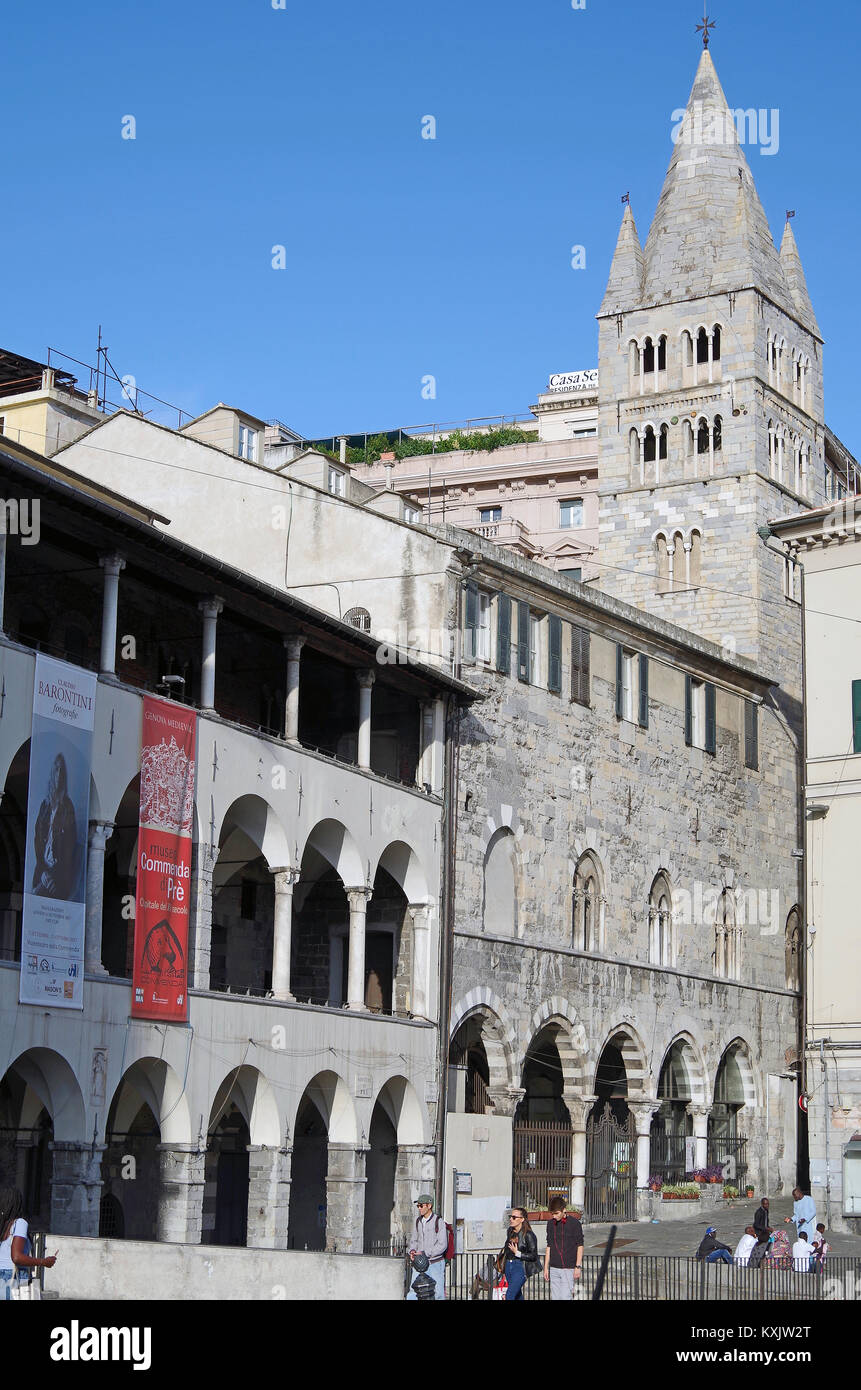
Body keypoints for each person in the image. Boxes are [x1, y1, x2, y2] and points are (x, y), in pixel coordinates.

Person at [32, 753, 79, 899]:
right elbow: (37, 840)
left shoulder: (67, 806)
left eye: (61, 770)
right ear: (52, 772)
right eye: (56, 769)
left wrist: (53, 874)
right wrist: (43, 870)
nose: (59, 774)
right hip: (42, 871)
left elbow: (69, 847)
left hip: (59, 876)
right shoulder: (45, 806)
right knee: (33, 897)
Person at [0, 1188, 57, 1299]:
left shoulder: (2, 1226)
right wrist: (43, 1262)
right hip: (13, 1278)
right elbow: (16, 1257)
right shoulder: (19, 1223)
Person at [407, 1194, 447, 1301]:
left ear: (429, 1206)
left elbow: (442, 1244)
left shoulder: (439, 1222)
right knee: (413, 1291)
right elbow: (414, 1240)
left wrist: (425, 1253)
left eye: (421, 1206)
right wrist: (412, 1251)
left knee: (438, 1293)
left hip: (435, 1263)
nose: (419, 1208)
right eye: (418, 1206)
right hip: (419, 1263)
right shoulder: (417, 1221)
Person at [543, 1195, 584, 1299]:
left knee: (566, 1297)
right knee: (555, 1297)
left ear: (564, 1210)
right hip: (554, 1267)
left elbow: (580, 1245)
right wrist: (546, 1267)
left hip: (568, 1267)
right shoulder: (550, 1224)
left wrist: (578, 1266)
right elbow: (549, 1246)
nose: (554, 1216)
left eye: (556, 1213)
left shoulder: (575, 1223)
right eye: (552, 1214)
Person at [500, 1208, 538, 1301]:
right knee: (517, 1295)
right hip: (509, 1265)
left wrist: (518, 1253)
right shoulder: (510, 1231)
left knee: (509, 1295)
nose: (511, 1219)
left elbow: (533, 1255)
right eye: (510, 1217)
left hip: (520, 1266)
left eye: (514, 1217)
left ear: (522, 1219)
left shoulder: (528, 1235)